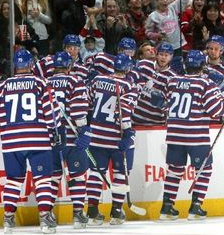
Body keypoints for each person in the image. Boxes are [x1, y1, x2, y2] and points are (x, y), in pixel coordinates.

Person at [0, 49, 61, 234]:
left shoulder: (2, 86)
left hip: (11, 141)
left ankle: (8, 221)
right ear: (30, 64)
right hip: (37, 140)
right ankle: (44, 219)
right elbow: (53, 116)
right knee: (43, 179)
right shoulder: (40, 83)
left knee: (13, 181)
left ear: (15, 65)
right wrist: (55, 128)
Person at [156, 50, 224, 220]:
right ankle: (195, 207)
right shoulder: (205, 83)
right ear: (202, 66)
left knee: (174, 170)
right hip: (196, 136)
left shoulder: (173, 81)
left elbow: (165, 105)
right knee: (203, 169)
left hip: (174, 134)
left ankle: (167, 207)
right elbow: (215, 110)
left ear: (186, 65)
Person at [86, 53, 139, 225]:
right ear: (128, 69)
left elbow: (87, 102)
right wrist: (128, 132)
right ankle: (116, 212)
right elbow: (124, 111)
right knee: (120, 173)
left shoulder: (98, 80)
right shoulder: (129, 85)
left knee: (95, 173)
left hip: (96, 136)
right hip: (116, 137)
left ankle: (92, 212)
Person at [47, 51, 90, 229]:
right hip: (72, 138)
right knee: (78, 176)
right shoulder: (75, 81)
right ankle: (78, 215)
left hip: (50, 138)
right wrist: (84, 130)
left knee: (52, 178)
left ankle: (47, 215)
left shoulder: (45, 83)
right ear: (69, 66)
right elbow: (78, 110)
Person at [132, 41, 176, 125]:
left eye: (166, 55)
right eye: (161, 54)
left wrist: (163, 104)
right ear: (156, 54)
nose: (163, 57)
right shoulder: (143, 65)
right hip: (134, 120)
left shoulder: (173, 78)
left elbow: (172, 107)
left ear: (171, 57)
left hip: (156, 125)